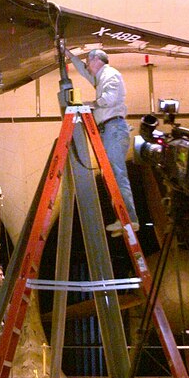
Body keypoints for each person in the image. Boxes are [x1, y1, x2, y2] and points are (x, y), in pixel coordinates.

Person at [65, 47, 139, 236]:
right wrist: (68, 54)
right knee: (113, 176)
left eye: (89, 62)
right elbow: (84, 70)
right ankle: (123, 218)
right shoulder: (101, 78)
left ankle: (129, 218)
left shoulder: (110, 74)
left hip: (113, 129)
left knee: (117, 174)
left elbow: (109, 98)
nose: (88, 66)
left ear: (97, 60)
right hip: (111, 129)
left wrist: (92, 104)